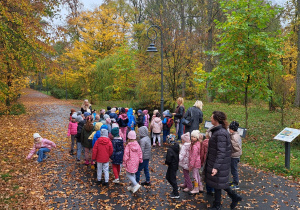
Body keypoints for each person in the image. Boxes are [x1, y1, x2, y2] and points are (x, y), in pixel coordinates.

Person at [205, 111, 242, 210]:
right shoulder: (219, 131)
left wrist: (216, 167)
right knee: (219, 183)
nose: (210, 118)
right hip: (218, 161)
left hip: (219, 163)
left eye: (212, 117)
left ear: (216, 120)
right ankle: (233, 197)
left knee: (219, 183)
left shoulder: (220, 133)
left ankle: (218, 205)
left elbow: (221, 152)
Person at [189, 130, 203, 194]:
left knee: (195, 176)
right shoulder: (197, 144)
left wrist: (191, 165)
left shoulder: (195, 146)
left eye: (194, 137)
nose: (192, 138)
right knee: (197, 175)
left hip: (195, 163)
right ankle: (200, 186)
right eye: (191, 136)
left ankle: (196, 188)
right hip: (198, 162)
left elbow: (193, 157)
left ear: (197, 138)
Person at [229, 121, 242, 190]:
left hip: (234, 156)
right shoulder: (236, 135)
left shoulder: (234, 137)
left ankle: (236, 183)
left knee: (234, 169)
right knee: (233, 169)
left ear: (231, 129)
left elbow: (235, 147)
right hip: (236, 155)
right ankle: (234, 181)